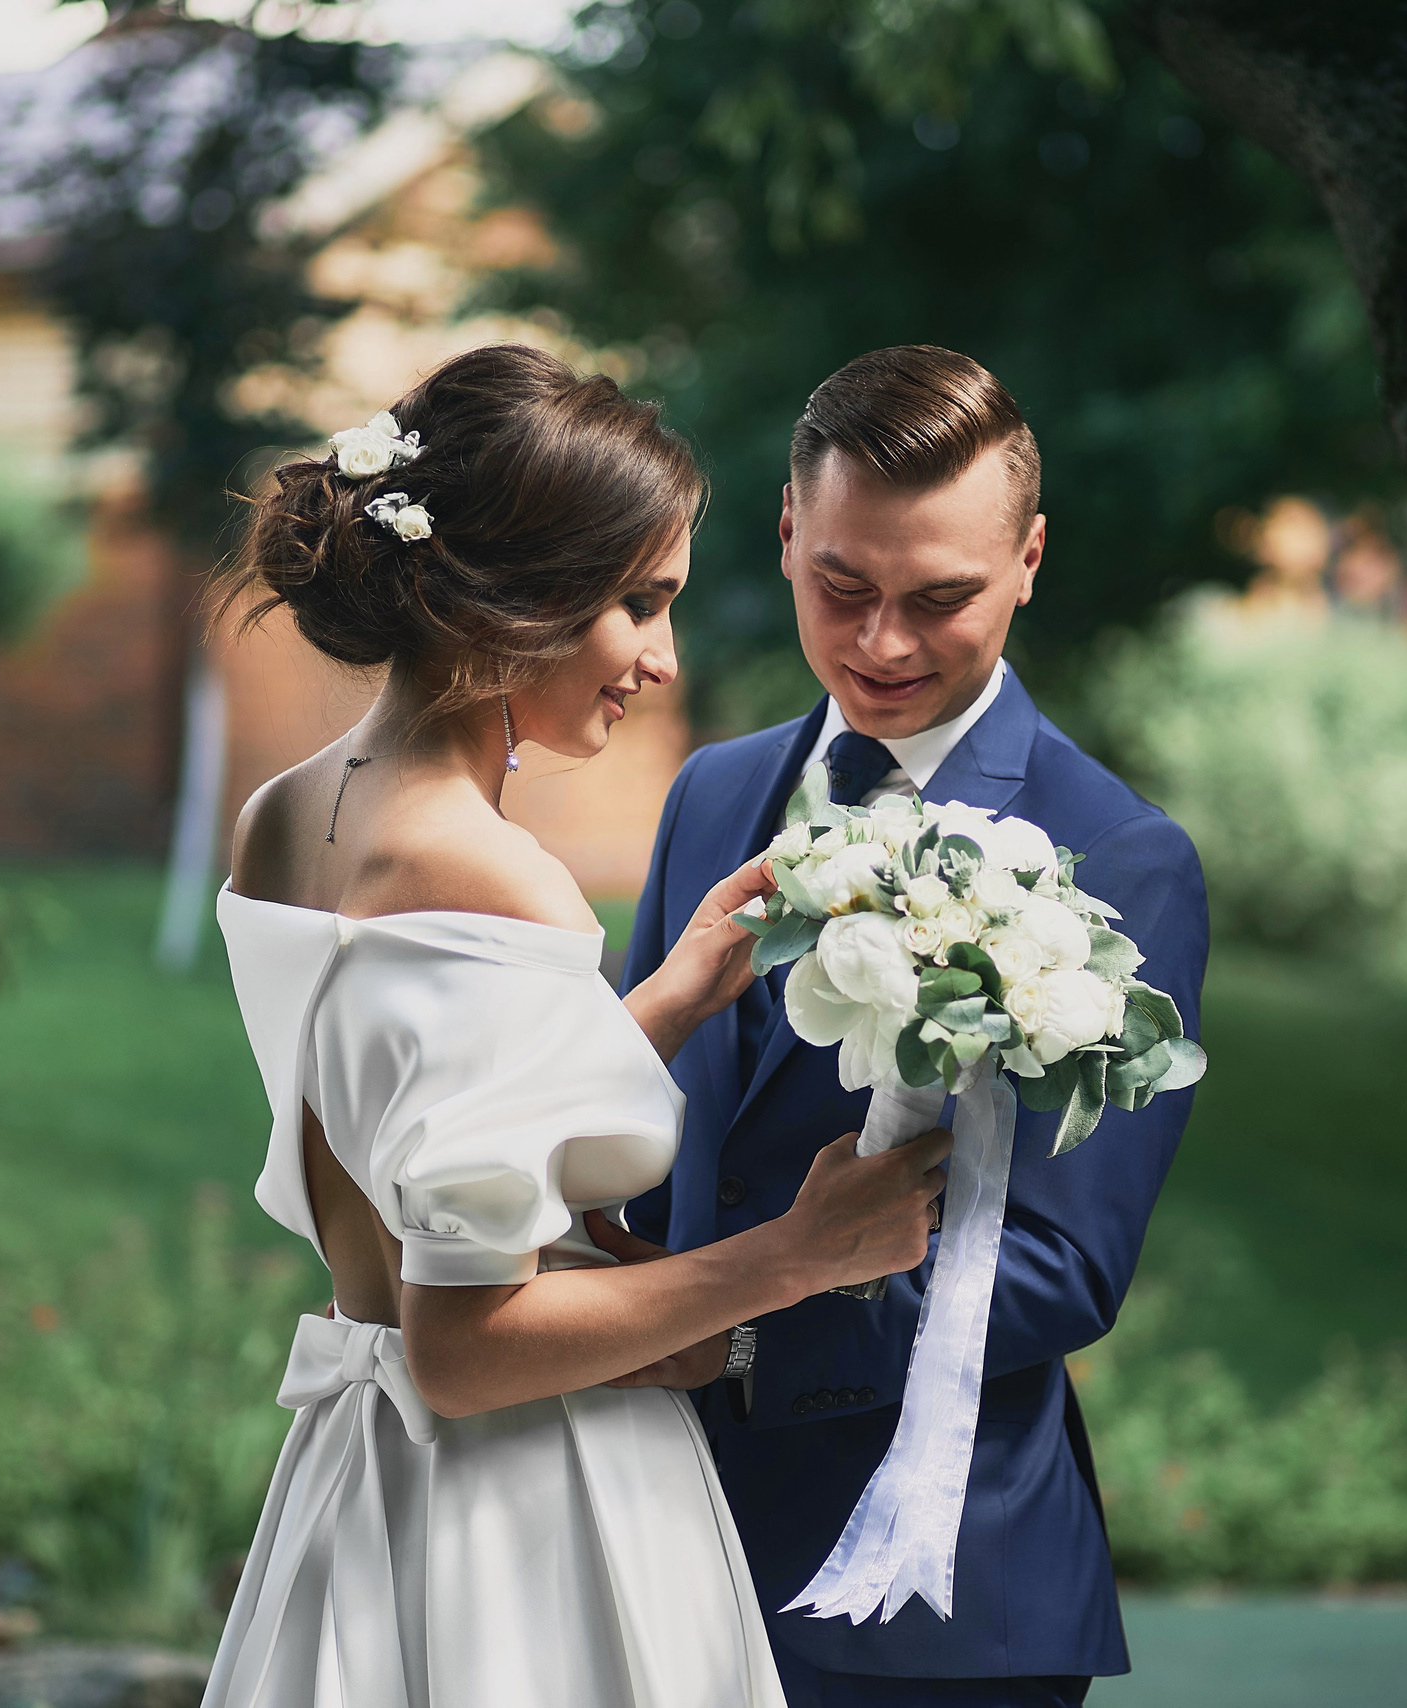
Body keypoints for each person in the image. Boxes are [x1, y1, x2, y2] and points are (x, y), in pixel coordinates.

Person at [203, 343, 954, 1708]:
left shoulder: (287, 815)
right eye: (638, 605)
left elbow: (410, 1132)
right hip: (526, 1514)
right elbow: (467, 1348)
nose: (661, 661)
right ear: (513, 600)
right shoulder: (491, 874)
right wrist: (797, 1255)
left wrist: (669, 994)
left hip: (357, 1484)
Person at [621, 346, 1210, 1708]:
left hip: (934, 1585)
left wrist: (746, 1329)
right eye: (844, 586)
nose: (882, 643)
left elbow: (1065, 1264)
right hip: (658, 1539)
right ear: (783, 532)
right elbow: (648, 1132)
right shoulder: (711, 795)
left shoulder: (1121, 855)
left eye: (939, 598)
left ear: (1030, 560)